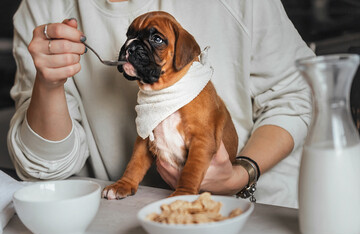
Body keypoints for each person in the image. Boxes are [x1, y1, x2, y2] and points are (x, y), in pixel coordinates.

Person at [7, 0, 314, 208]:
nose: (132, 47)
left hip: (258, 211)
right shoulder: (41, 8)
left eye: (154, 40)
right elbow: (42, 169)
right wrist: (48, 84)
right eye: (132, 38)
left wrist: (240, 173)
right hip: (119, 217)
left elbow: (297, 94)